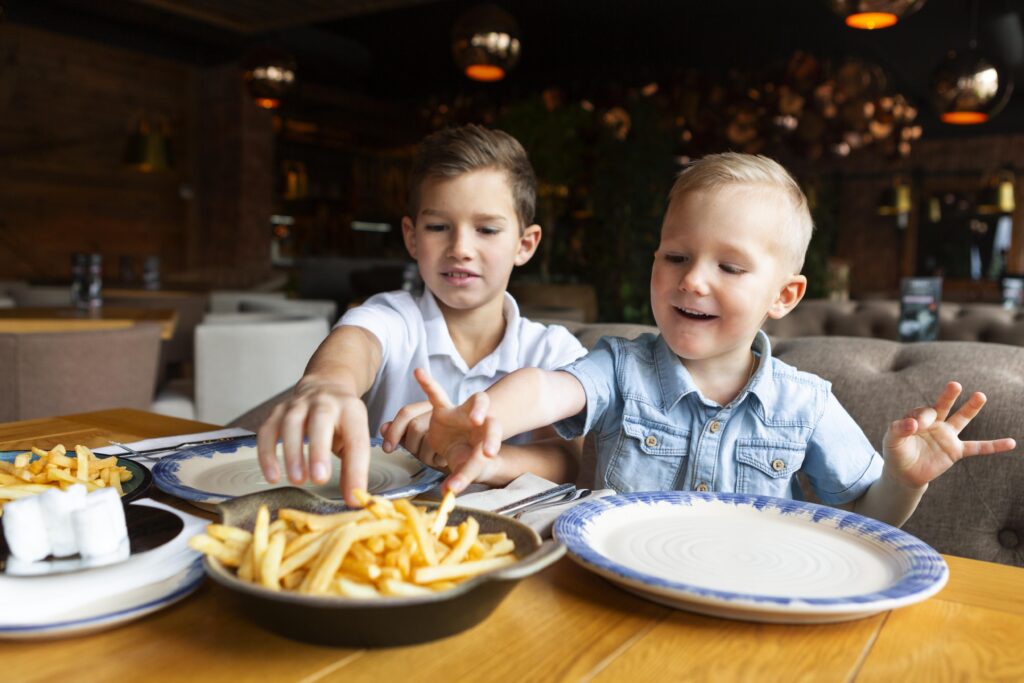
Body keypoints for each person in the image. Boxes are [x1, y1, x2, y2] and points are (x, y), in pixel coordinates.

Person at [412, 152, 1016, 527]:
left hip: (751, 595)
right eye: (676, 256)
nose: (693, 279)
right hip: (615, 583)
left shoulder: (805, 404)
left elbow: (865, 518)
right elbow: (548, 389)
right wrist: (482, 415)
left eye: (729, 268)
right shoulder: (621, 367)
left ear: (784, 296)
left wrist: (904, 481)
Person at [256, 125, 587, 506]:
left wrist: (480, 462)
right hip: (381, 534)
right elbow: (356, 343)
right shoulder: (394, 318)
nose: (461, 248)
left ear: (524, 244)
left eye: (487, 229)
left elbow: (571, 457)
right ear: (412, 237)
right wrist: (326, 385)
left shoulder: (551, 350)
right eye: (438, 227)